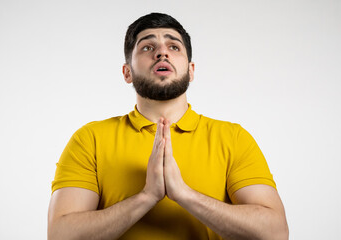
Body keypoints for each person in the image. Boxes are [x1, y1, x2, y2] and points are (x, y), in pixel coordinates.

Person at [48, 12, 289, 240]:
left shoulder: (233, 138)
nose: (162, 53)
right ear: (127, 72)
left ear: (191, 70)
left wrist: (184, 195)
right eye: (147, 47)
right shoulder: (90, 139)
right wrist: (146, 197)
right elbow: (60, 234)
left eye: (174, 46)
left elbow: (275, 233)